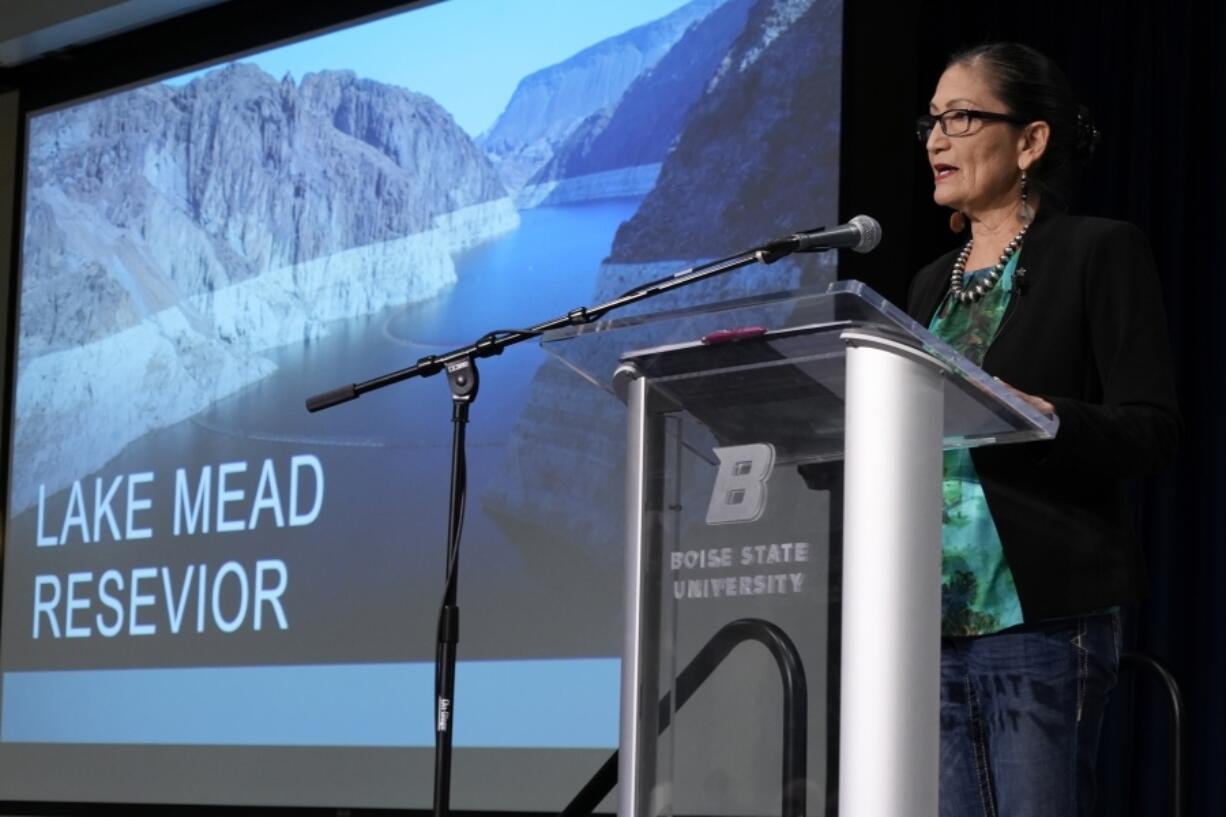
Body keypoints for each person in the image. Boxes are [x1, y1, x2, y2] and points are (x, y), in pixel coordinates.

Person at [907, 43, 1180, 817]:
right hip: (929, 615)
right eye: (931, 120)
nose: (936, 139)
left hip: (1040, 613)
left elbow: (1153, 428)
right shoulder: (932, 282)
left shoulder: (1098, 250)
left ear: (1030, 141)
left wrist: (1042, 416)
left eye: (960, 117)